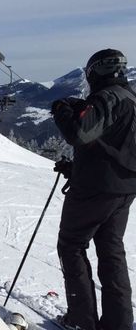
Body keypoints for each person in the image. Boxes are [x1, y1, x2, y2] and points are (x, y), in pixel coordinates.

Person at [51, 48, 135, 330]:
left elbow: (79, 133)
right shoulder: (131, 98)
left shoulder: (107, 97)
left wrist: (62, 110)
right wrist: (78, 169)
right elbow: (116, 147)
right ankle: (119, 323)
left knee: (71, 245)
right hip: (124, 189)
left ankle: (81, 320)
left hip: (95, 190)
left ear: (95, 72)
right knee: (111, 251)